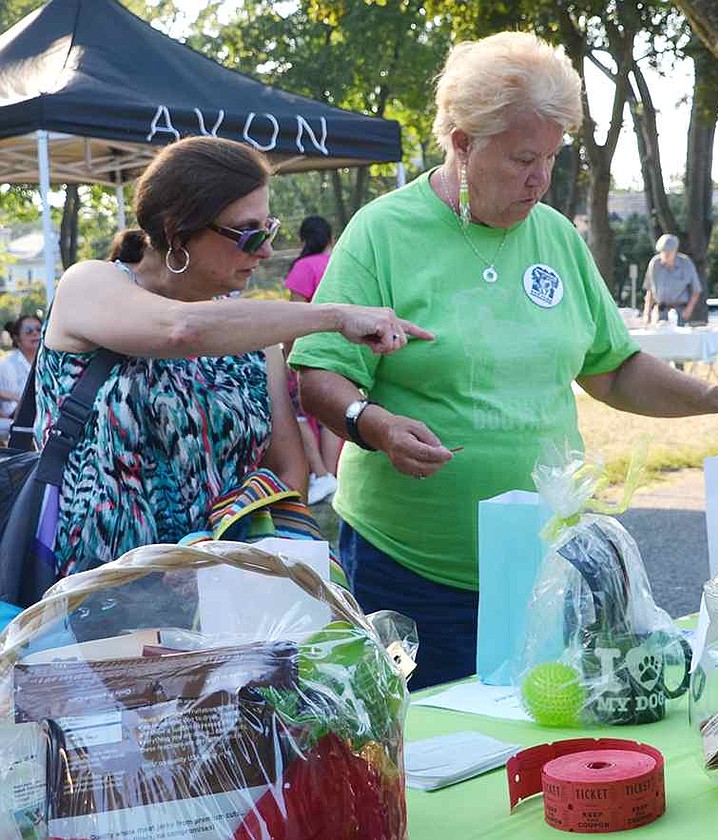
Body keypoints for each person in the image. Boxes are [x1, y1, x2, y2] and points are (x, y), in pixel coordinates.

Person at [290, 31, 718, 690]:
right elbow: (319, 377)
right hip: (411, 568)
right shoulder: (382, 233)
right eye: (520, 159)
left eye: (551, 157)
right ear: (461, 143)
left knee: (549, 739)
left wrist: (706, 396)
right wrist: (373, 424)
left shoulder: (556, 236)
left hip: (551, 563)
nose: (540, 179)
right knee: (431, 760)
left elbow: (612, 367)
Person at [38, 135, 430, 579]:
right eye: (249, 234)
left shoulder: (252, 330)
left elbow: (286, 467)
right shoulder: (87, 285)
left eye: (270, 229)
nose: (264, 250)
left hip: (222, 601)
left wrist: (250, 569)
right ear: (175, 232)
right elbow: (180, 329)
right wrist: (336, 316)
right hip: (97, 598)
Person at [283, 215, 342, 497]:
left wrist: (287, 354)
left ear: (304, 239)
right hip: (340, 349)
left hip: (309, 350)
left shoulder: (303, 267)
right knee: (333, 411)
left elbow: (295, 317)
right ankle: (332, 474)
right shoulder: (340, 261)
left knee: (299, 417)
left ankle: (320, 473)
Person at [642, 234, 702, 326]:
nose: (665, 254)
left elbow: (696, 290)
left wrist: (689, 309)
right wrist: (647, 313)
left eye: (669, 251)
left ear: (675, 250)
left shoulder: (686, 263)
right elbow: (649, 290)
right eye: (663, 251)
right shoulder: (654, 264)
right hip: (661, 311)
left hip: (680, 311)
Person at [0, 315, 42, 440]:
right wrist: (19, 399)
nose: (35, 333)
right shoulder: (6, 364)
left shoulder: (47, 362)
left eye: (39, 330)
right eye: (29, 331)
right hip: (14, 418)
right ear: (17, 339)